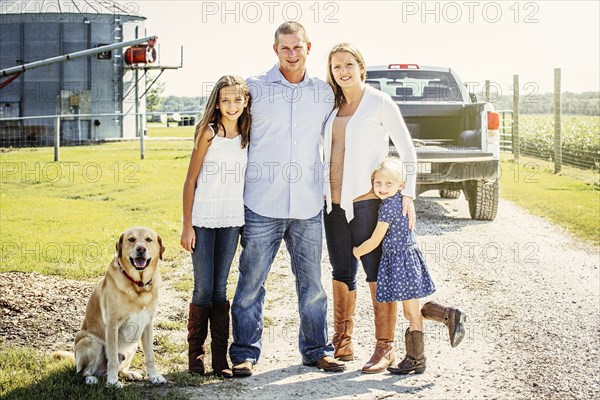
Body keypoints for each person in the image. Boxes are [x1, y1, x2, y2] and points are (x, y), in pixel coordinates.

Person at [323, 43, 464, 374]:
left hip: (367, 202)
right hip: (332, 202)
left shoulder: (379, 102)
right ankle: (343, 342)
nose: (341, 72)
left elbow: (407, 150)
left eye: (347, 64)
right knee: (341, 270)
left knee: (376, 274)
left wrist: (408, 194)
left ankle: (384, 348)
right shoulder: (334, 106)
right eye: (335, 67)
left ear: (360, 66)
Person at [228, 21, 345, 377]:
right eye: (285, 48)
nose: (292, 54)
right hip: (262, 203)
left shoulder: (325, 93)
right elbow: (227, 126)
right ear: (275, 50)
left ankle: (317, 351)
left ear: (309, 47)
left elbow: (345, 130)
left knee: (312, 286)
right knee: (250, 285)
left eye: (298, 47)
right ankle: (244, 354)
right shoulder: (255, 89)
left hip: (308, 205)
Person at [180, 75, 251, 378]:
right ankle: (195, 355)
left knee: (221, 289)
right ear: (217, 103)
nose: (232, 105)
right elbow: (190, 180)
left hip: (232, 220)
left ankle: (220, 360)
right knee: (204, 287)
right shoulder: (208, 133)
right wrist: (186, 225)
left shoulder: (248, 135)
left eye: (237, 99)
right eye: (225, 100)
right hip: (203, 220)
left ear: (246, 101)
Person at [352, 158, 447, 374]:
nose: (382, 188)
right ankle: (422, 350)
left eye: (388, 184)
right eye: (378, 184)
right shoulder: (402, 202)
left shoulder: (387, 208)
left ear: (401, 185)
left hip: (400, 263)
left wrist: (356, 251)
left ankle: (420, 353)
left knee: (412, 314)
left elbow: (375, 240)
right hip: (409, 259)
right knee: (411, 313)